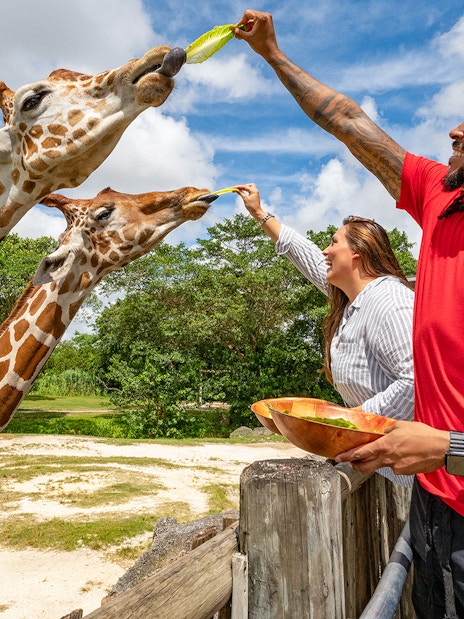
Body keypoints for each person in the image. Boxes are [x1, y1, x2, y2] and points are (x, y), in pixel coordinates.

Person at [234, 11, 464, 618]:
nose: (455, 130)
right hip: (434, 498)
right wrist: (272, 55)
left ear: (359, 253)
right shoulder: (443, 198)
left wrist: (448, 446)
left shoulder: (387, 299)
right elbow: (347, 120)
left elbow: (413, 389)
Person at [234, 182, 414, 487]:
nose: (325, 251)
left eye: (333, 243)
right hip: (385, 469)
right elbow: (304, 255)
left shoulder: (390, 302)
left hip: (414, 479)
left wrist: (347, 421)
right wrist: (260, 214)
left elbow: (415, 382)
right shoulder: (352, 298)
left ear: (358, 253)